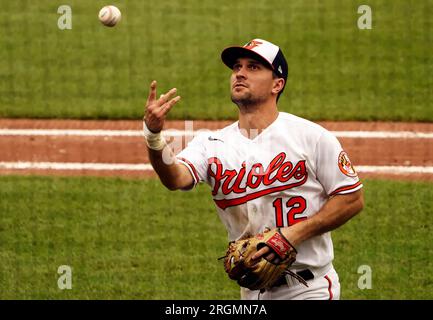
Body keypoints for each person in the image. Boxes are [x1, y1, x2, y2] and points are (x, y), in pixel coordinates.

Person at [142, 39, 364, 300]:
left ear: (277, 84)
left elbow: (352, 199)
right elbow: (175, 178)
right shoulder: (210, 143)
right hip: (252, 292)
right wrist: (154, 135)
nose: (240, 73)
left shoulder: (311, 137)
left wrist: (291, 235)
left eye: (254, 67)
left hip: (309, 289)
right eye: (237, 66)